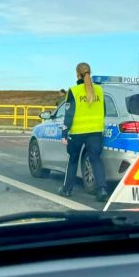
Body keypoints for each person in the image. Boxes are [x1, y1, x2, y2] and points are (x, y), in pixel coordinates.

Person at [57, 62, 109, 202]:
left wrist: (64, 133)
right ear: (89, 73)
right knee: (96, 159)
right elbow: (103, 111)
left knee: (73, 159)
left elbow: (69, 114)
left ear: (77, 74)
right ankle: (102, 189)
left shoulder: (73, 91)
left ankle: (67, 190)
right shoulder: (99, 90)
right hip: (96, 131)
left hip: (77, 132)